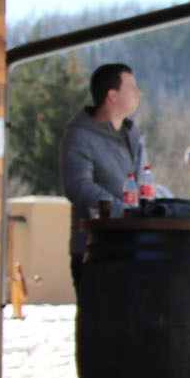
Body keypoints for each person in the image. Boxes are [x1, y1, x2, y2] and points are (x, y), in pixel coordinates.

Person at [58, 63, 146, 294]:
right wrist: (121, 213)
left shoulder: (133, 135)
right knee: (99, 315)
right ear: (112, 95)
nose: (139, 92)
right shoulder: (80, 135)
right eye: (132, 87)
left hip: (133, 246)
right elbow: (78, 186)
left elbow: (142, 183)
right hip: (95, 249)